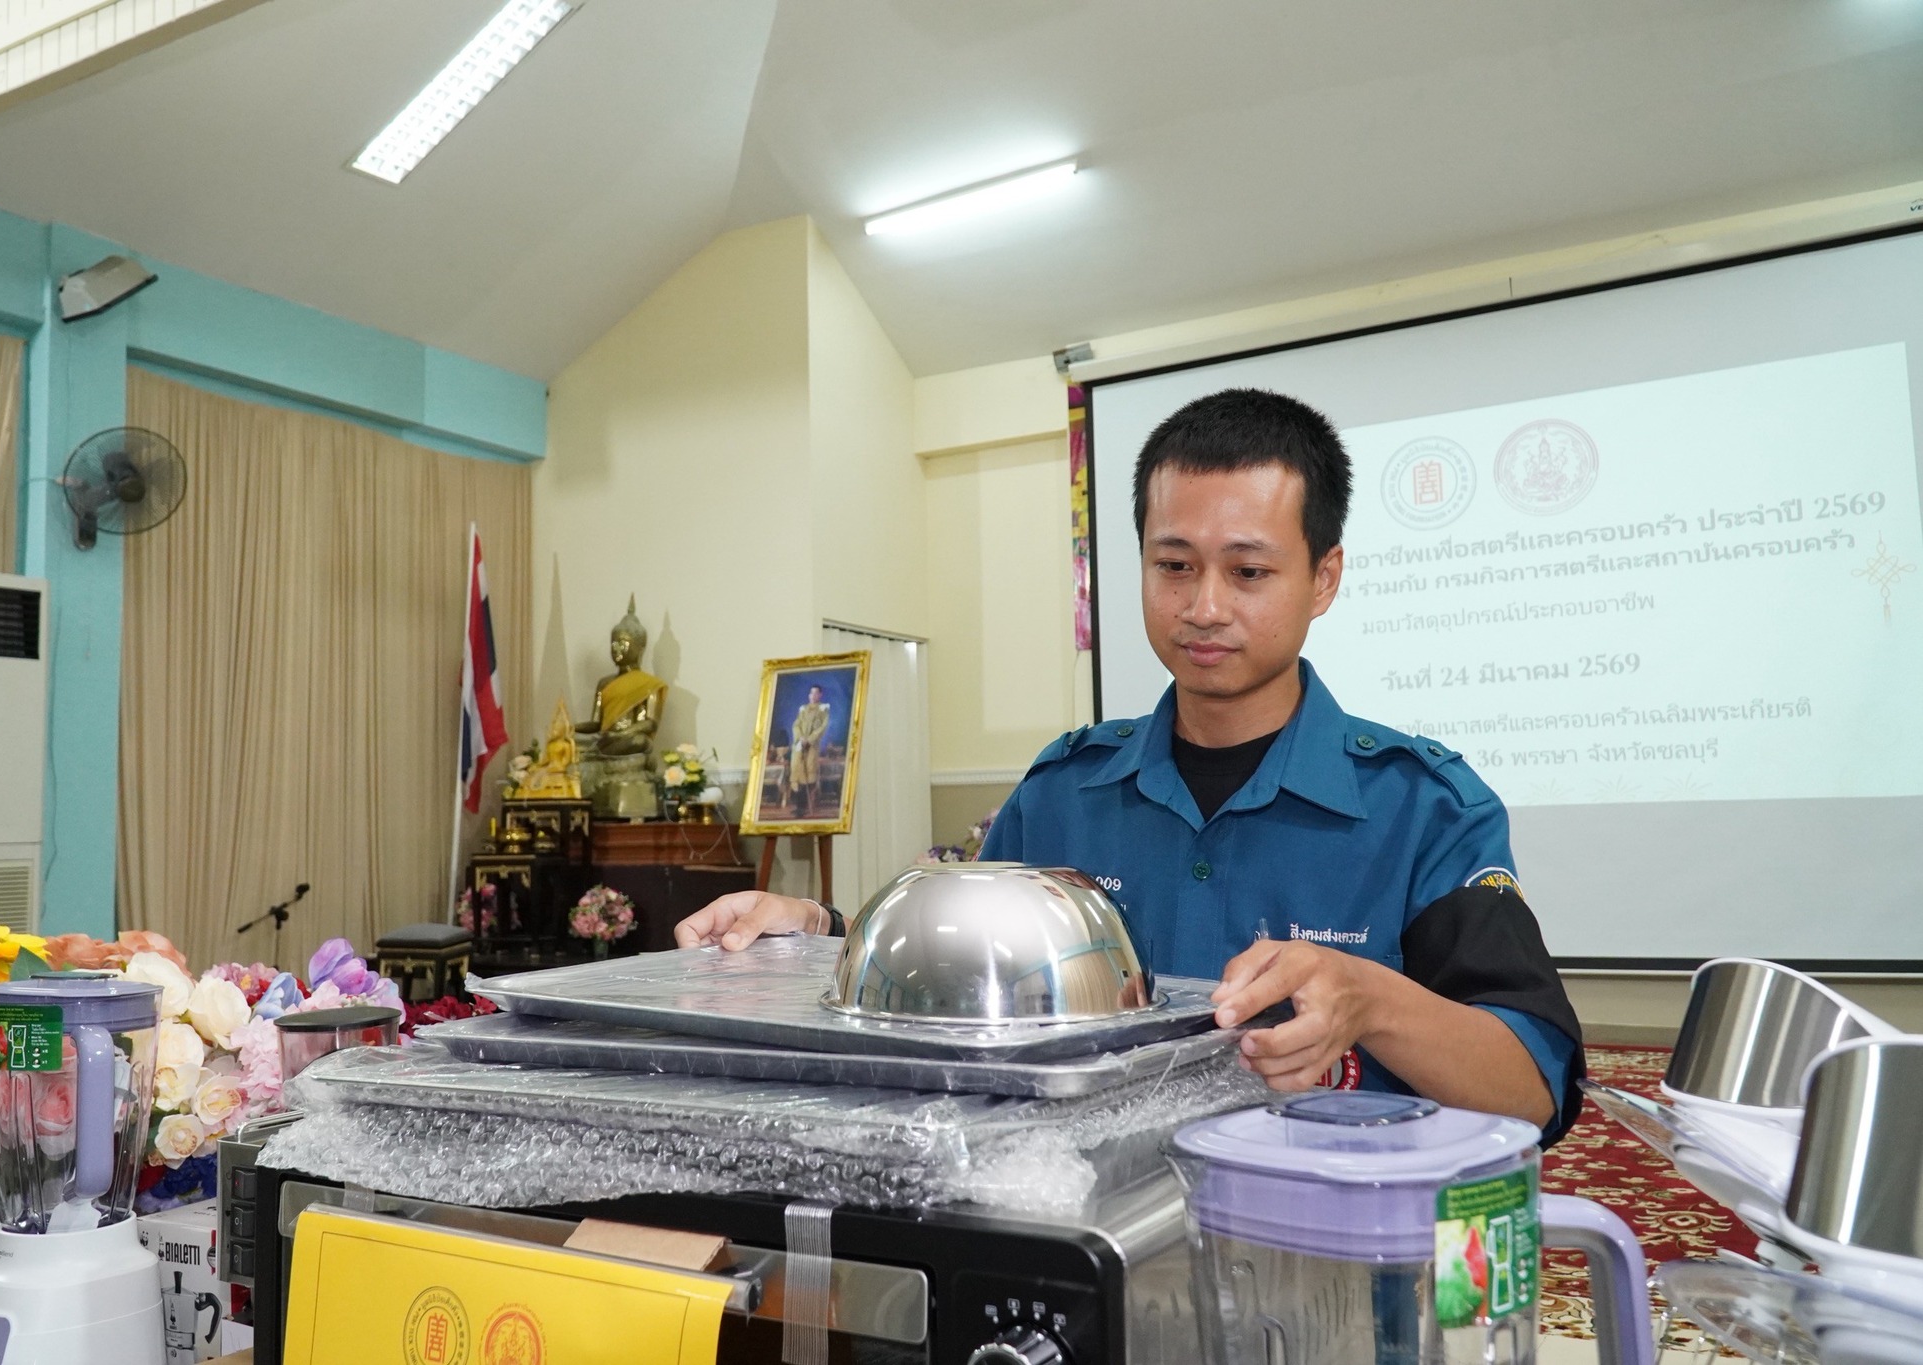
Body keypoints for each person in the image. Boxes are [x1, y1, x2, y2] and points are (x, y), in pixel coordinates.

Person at [678, 389, 1583, 1141]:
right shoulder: (1066, 792)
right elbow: (954, 981)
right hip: (1092, 1232)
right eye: (1174, 565)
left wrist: (1371, 1001)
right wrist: (812, 928)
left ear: (1324, 577)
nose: (1205, 606)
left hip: (1328, 1246)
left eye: (1249, 572)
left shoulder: (1424, 808)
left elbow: (1532, 1087)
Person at [787, 685, 830, 816]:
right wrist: (800, 738)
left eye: (816, 693)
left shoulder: (823, 710)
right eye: (811, 693)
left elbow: (822, 727)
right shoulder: (803, 709)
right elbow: (796, 725)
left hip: (811, 746)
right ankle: (798, 805)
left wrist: (809, 739)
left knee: (808, 771)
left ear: (820, 695)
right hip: (800, 745)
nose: (813, 695)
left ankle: (804, 806)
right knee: (797, 771)